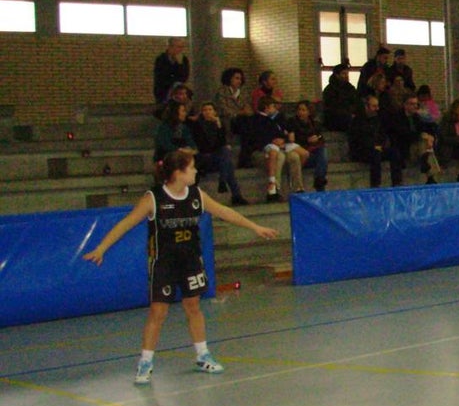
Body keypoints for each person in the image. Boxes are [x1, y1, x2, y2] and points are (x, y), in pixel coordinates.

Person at [82, 150, 277, 384]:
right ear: (178, 172)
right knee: (158, 312)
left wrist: (254, 227)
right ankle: (145, 362)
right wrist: (102, 248)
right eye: (192, 167)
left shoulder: (197, 195)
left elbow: (225, 212)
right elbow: (126, 224)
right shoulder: (153, 198)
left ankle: (202, 354)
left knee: (193, 306)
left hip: (191, 260)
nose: (196, 171)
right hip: (163, 263)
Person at [246, 96, 306, 201]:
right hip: (262, 151)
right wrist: (273, 141)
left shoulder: (274, 120)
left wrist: (283, 140)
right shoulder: (254, 120)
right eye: (273, 106)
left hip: (278, 147)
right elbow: (256, 139)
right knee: (280, 156)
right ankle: (275, 189)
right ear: (266, 107)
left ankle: (298, 187)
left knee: (295, 156)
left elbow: (281, 134)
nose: (276, 109)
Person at [190, 102, 248, 206]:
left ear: (215, 112)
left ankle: (225, 182)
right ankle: (234, 194)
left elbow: (221, 143)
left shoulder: (219, 124)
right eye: (205, 110)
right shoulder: (197, 126)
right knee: (227, 159)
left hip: (218, 157)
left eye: (210, 109)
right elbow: (203, 146)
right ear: (202, 113)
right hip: (204, 157)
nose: (208, 112)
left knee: (226, 157)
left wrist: (219, 126)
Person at [284, 100, 329, 191]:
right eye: (299, 110)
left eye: (303, 110)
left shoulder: (314, 124)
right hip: (300, 154)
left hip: (311, 151)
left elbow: (321, 138)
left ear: (309, 112)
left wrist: (316, 138)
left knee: (322, 151)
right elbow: (292, 140)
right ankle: (319, 181)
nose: (300, 112)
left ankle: (319, 179)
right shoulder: (292, 122)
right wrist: (307, 140)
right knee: (321, 155)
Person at [348, 94, 385, 188]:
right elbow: (358, 139)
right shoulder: (357, 121)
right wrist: (373, 146)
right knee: (375, 155)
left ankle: (397, 183)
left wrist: (381, 145)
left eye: (377, 106)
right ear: (366, 106)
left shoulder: (377, 120)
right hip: (361, 150)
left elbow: (382, 135)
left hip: (377, 148)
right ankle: (376, 185)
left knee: (394, 153)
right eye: (374, 106)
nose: (377, 108)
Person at [214, 67, 253, 147]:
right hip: (227, 119)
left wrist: (246, 112)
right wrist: (240, 112)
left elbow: (248, 109)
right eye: (236, 78)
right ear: (229, 78)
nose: (239, 81)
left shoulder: (243, 93)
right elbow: (223, 109)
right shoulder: (222, 92)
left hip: (242, 119)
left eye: (240, 79)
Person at [321, 62, 359, 132]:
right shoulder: (329, 90)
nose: (346, 76)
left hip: (348, 115)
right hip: (334, 118)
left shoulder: (350, 88)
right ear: (337, 75)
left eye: (347, 74)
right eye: (344, 74)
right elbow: (332, 107)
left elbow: (356, 101)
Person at [153, 37, 189, 103]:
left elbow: (184, 77)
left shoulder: (184, 60)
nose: (181, 50)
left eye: (182, 47)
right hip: (163, 91)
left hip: (178, 91)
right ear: (170, 47)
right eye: (179, 47)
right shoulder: (161, 59)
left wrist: (179, 64)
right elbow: (161, 76)